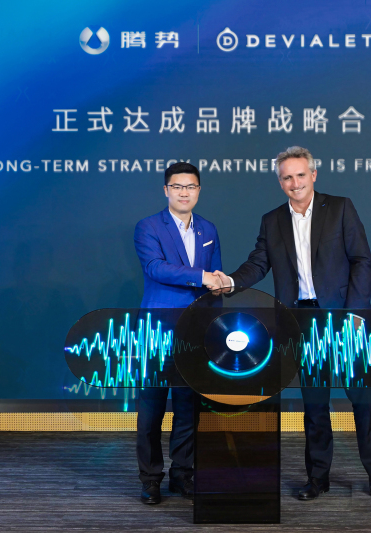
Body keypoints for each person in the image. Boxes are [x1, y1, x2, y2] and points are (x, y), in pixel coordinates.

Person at [210, 146, 371, 499]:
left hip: (346, 320)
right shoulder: (272, 220)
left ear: (313, 175)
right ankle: (317, 478)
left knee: (364, 400)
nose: (295, 183)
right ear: (280, 182)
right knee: (315, 404)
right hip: (301, 322)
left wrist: (355, 313)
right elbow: (258, 264)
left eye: (300, 175)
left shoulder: (340, 207)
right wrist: (229, 281)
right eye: (287, 177)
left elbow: (362, 261)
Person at [133, 162, 225, 504]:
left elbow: (215, 277)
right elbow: (155, 268)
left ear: (199, 190)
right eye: (177, 186)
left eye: (190, 186)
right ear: (166, 190)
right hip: (157, 331)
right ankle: (150, 479)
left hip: (196, 332)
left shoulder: (208, 228)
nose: (184, 192)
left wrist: (216, 312)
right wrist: (202, 277)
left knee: (188, 407)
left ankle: (182, 475)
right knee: (151, 409)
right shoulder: (148, 226)